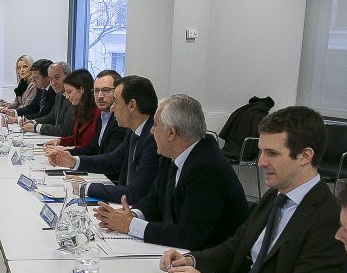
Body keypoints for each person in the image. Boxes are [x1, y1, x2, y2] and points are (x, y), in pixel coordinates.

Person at [160, 106, 347, 273]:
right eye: (261, 152)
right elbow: (235, 247)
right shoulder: (275, 196)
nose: (261, 162)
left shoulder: (329, 219)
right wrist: (191, 260)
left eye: (271, 153)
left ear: (305, 156)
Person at [95, 94, 248, 250]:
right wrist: (132, 215)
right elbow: (155, 198)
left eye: (155, 125)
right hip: (180, 253)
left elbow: (188, 235)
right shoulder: (174, 154)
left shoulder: (207, 167)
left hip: (210, 265)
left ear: (171, 133)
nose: (151, 131)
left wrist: (130, 225)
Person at [47, 75, 160, 205]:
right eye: (96, 91)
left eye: (116, 102)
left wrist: (85, 187)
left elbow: (135, 193)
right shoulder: (134, 130)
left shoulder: (154, 138)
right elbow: (113, 160)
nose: (112, 108)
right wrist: (73, 161)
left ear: (132, 105)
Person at [58, 70, 127, 180]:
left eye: (105, 90)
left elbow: (111, 162)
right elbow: (94, 147)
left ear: (118, 92)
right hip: (100, 175)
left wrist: (74, 161)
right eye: (96, 91)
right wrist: (65, 153)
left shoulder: (121, 122)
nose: (99, 96)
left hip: (109, 180)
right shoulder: (104, 115)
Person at [45, 68, 97, 149]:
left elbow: (90, 147)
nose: (66, 96)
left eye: (69, 92)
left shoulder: (98, 113)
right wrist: (60, 141)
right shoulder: (80, 108)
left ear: (82, 89)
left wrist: (68, 150)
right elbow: (77, 138)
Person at [21, 61, 73, 137]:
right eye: (50, 79)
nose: (53, 83)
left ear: (68, 76)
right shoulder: (59, 94)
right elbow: (52, 116)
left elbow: (65, 130)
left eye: (57, 77)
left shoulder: (74, 97)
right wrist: (33, 122)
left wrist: (36, 127)